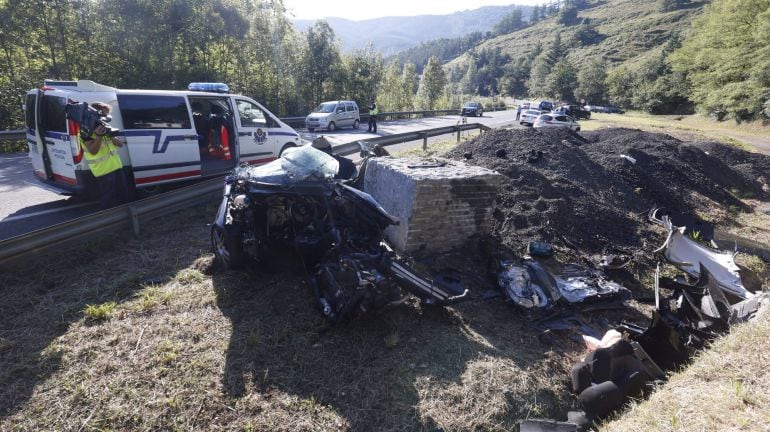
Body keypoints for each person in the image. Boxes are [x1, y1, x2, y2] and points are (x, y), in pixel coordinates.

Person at [77, 102, 131, 209]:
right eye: (105, 115)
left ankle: (126, 220)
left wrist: (110, 135)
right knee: (109, 200)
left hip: (116, 167)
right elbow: (93, 151)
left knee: (124, 197)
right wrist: (99, 136)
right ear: (96, 115)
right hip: (103, 171)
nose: (106, 118)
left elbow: (120, 144)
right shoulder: (85, 132)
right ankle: (110, 222)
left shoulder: (104, 127)